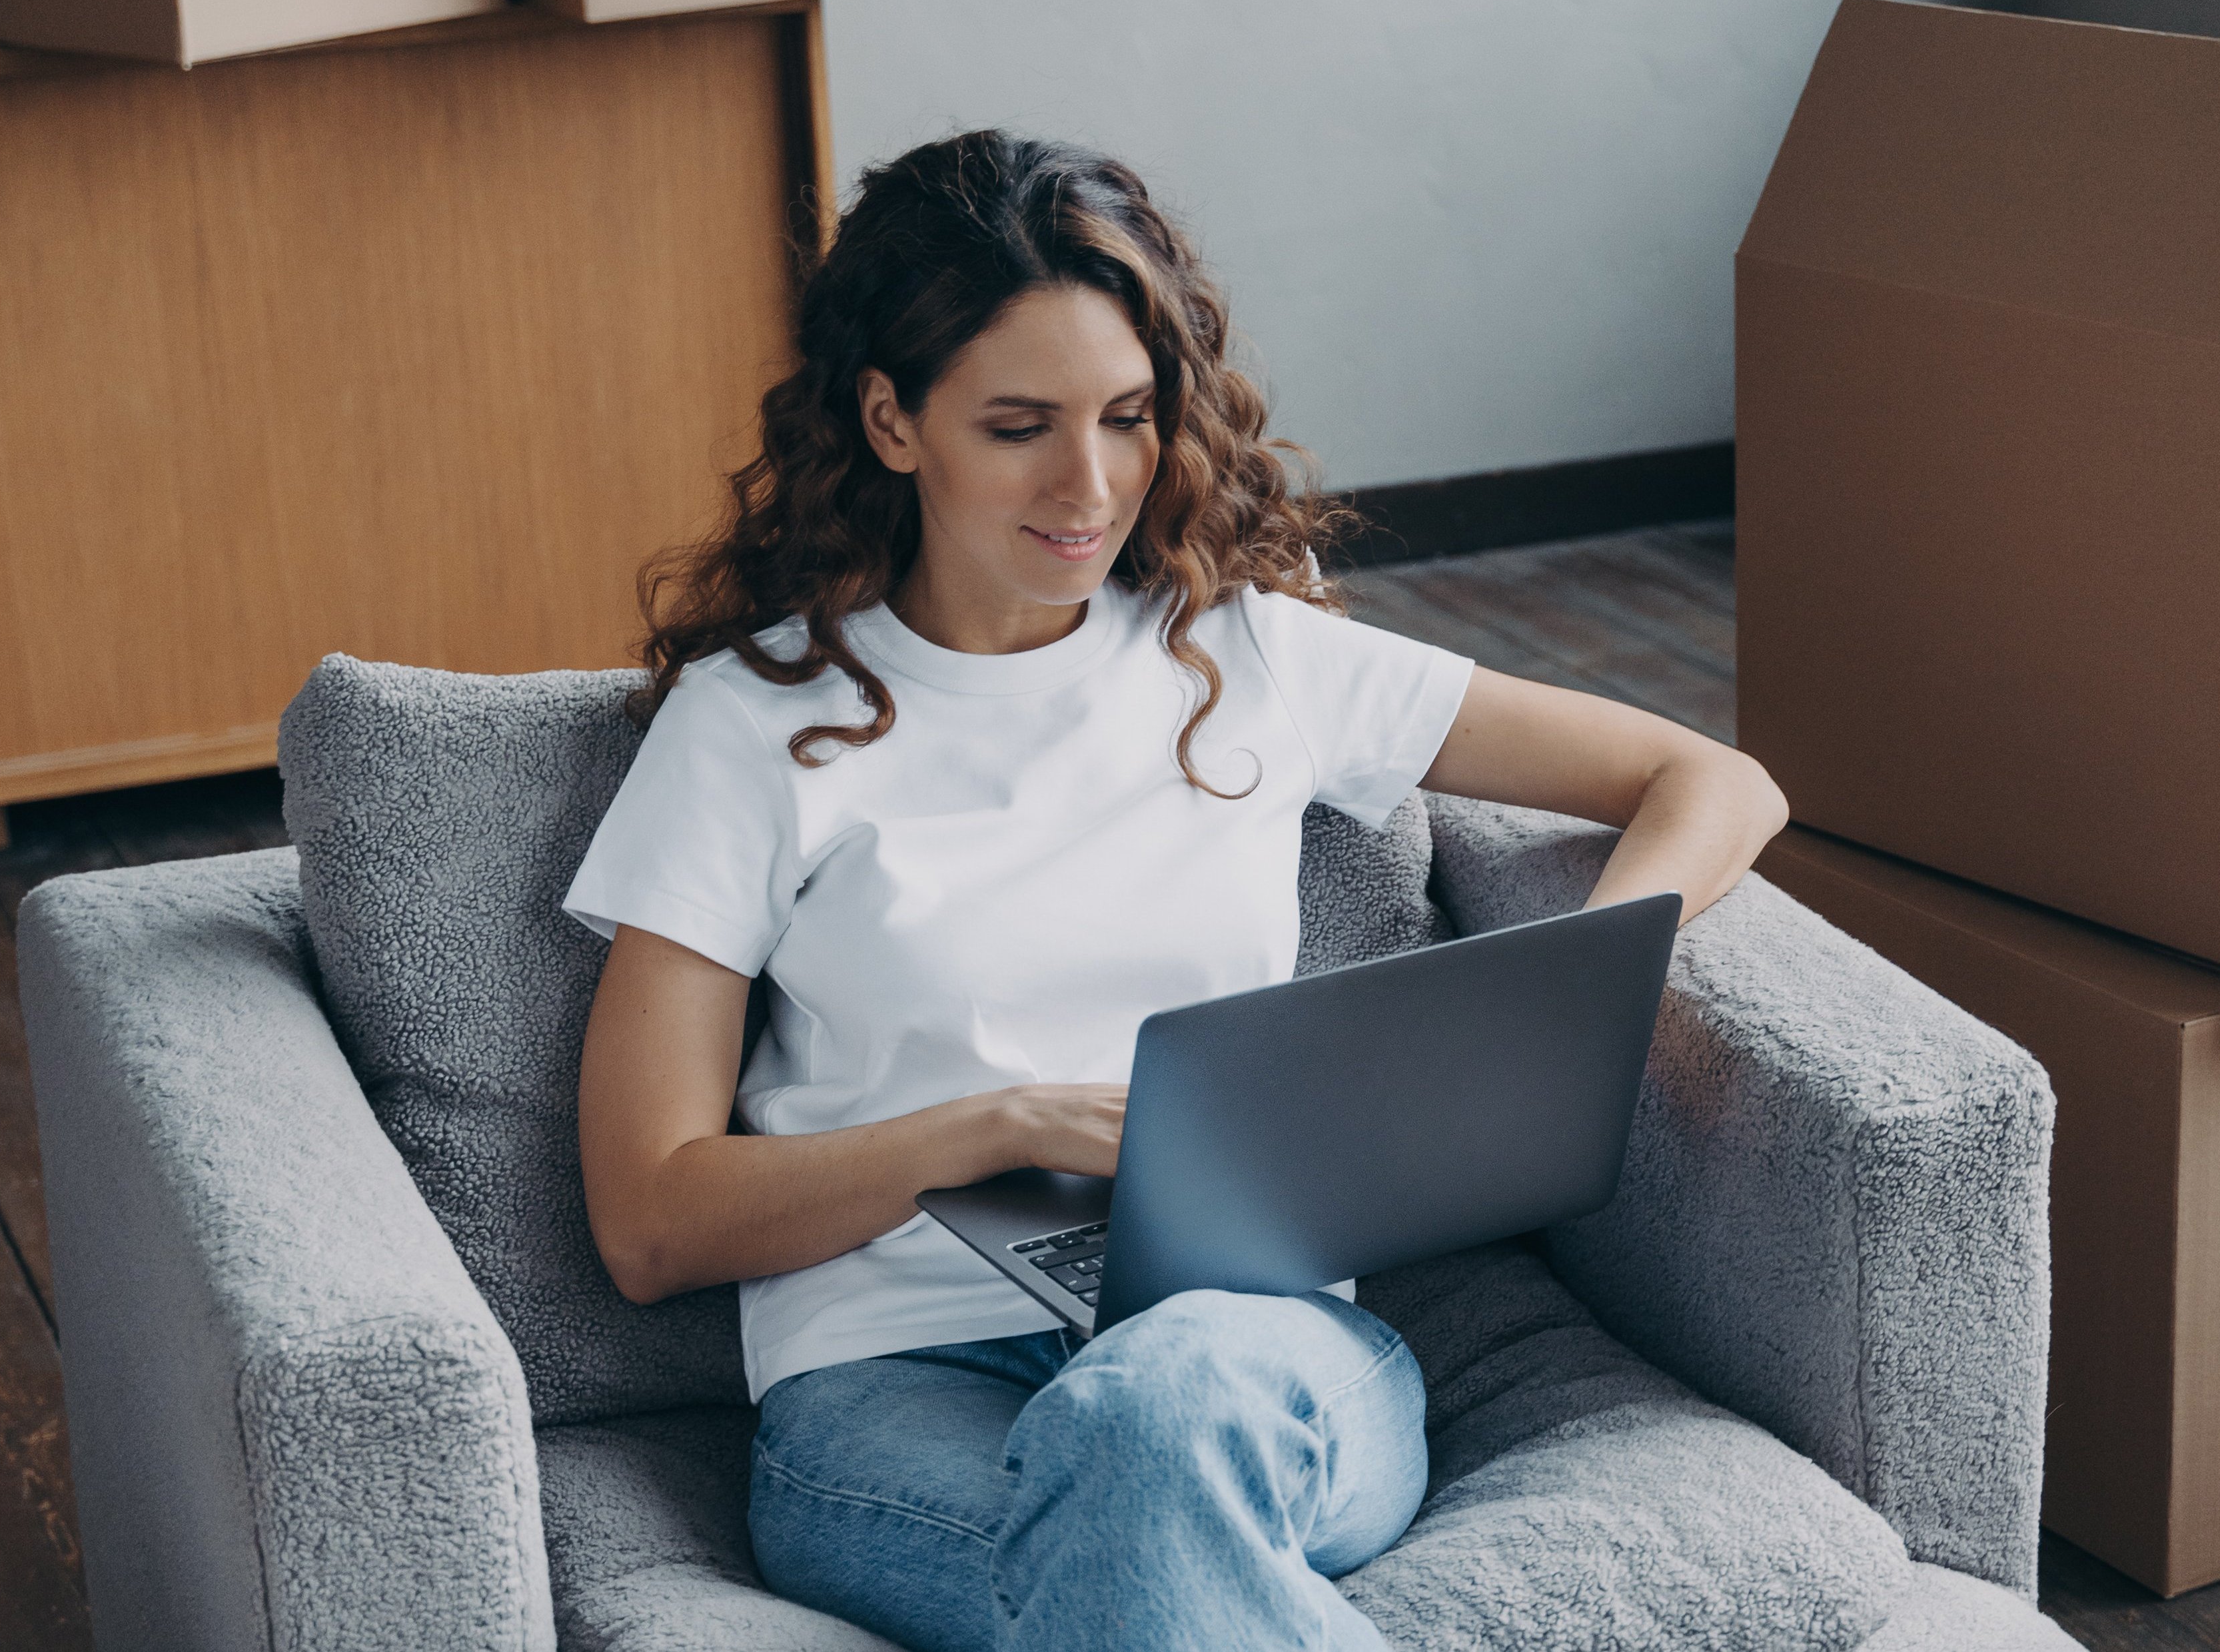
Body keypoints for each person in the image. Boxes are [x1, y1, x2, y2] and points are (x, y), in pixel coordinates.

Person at [560, 130, 1785, 1652]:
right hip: (888, 1384)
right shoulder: (753, 727)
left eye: (1130, 417)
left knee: (1154, 1430)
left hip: (1249, 1351)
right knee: (1139, 1521)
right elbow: (651, 1216)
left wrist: (1584, 979)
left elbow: (1716, 784)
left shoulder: (1250, 656)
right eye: (1020, 426)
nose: (1092, 485)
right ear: (890, 418)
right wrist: (1001, 1127)